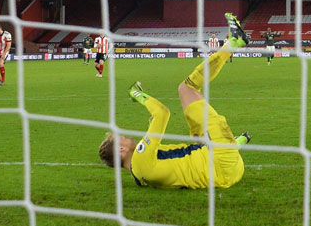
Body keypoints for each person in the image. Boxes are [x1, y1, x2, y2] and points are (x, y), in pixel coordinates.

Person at [97, 13, 252, 190]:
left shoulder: (138, 176)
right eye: (121, 139)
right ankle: (233, 42)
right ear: (120, 151)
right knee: (187, 88)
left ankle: (235, 143)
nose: (126, 136)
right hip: (222, 159)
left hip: (228, 173)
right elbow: (162, 113)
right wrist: (137, 95)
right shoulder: (140, 157)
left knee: (196, 136)